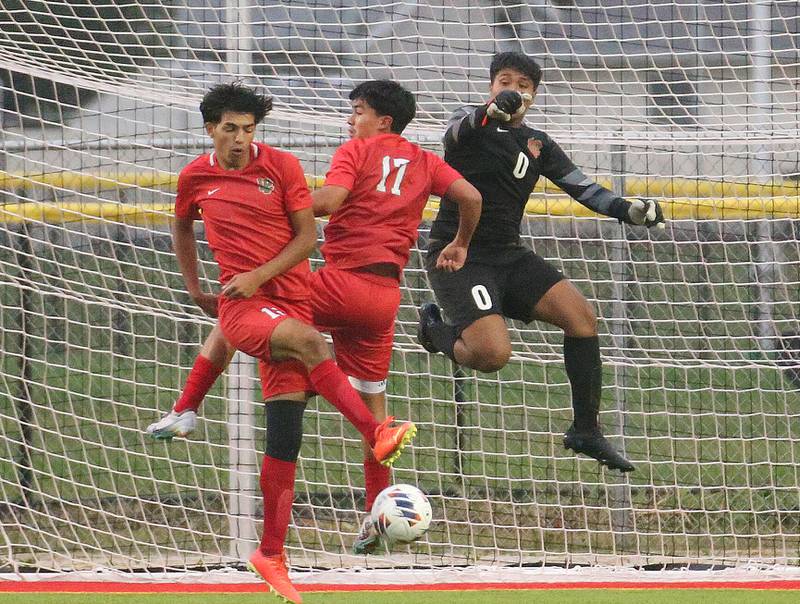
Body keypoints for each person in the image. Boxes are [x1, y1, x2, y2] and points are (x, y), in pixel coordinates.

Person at [148, 81, 482, 555]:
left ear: (381, 122)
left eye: (358, 111)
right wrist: (460, 243)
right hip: (385, 296)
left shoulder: (358, 150)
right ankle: (376, 516)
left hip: (341, 282)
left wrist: (281, 197)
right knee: (372, 403)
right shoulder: (425, 160)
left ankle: (187, 405)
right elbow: (471, 198)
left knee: (246, 303)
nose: (351, 121)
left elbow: (327, 202)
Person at [170, 82, 419, 604]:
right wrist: (196, 287)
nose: (240, 138)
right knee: (311, 343)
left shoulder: (280, 166)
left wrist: (262, 276)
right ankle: (375, 430)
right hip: (244, 309)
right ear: (210, 128)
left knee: (285, 436)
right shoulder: (195, 176)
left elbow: (308, 239)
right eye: (231, 128)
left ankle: (271, 553)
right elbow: (182, 228)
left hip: (289, 299)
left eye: (248, 128)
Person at [419, 51, 666, 473]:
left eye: (523, 84)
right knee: (492, 356)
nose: (512, 89)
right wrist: (489, 113)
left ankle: (586, 430)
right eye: (504, 80)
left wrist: (629, 210)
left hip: (509, 255)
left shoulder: (537, 143)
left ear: (533, 95)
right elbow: (456, 132)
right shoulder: (471, 124)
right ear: (491, 86)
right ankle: (434, 332)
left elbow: (582, 187)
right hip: (460, 254)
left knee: (581, 317)